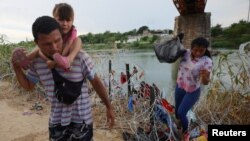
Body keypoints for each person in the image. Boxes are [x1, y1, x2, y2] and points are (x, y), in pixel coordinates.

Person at [11, 16, 115, 141]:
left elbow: (96, 82)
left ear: (62, 35)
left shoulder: (79, 57)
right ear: (37, 43)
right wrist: (16, 67)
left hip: (82, 122)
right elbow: (28, 86)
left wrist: (109, 107)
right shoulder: (37, 63)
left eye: (57, 40)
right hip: (56, 123)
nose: (54, 47)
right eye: (47, 44)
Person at [174, 37, 212, 141]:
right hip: (180, 86)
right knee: (177, 113)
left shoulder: (207, 61)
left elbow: (205, 82)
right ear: (191, 48)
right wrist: (174, 40)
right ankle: (179, 127)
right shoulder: (185, 53)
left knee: (182, 112)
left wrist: (205, 76)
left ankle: (186, 134)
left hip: (193, 91)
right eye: (195, 50)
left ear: (205, 49)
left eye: (202, 50)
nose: (198, 53)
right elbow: (171, 53)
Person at [25, 3, 81, 70]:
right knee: (38, 49)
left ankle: (69, 59)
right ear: (54, 19)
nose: (65, 24)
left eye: (68, 20)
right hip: (52, 52)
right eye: (61, 20)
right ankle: (26, 60)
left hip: (65, 49)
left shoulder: (72, 30)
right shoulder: (53, 31)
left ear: (73, 21)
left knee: (78, 40)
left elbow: (69, 43)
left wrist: (61, 57)